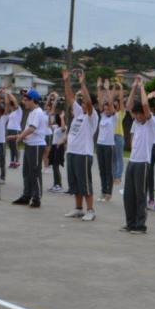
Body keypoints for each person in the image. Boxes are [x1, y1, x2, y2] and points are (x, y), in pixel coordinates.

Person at [63, 70, 99, 221]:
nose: (82, 103)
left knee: (85, 183)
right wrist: (66, 81)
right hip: (72, 152)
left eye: (83, 102)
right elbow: (70, 98)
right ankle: (78, 209)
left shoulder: (92, 116)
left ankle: (90, 210)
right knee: (76, 183)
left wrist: (82, 83)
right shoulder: (78, 114)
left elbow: (89, 103)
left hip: (83, 154)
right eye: (81, 102)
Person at [121, 76, 155, 233]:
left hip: (143, 162)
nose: (135, 117)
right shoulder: (136, 122)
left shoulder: (150, 122)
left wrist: (142, 88)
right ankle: (130, 224)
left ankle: (141, 225)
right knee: (128, 194)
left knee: (140, 195)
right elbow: (128, 106)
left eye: (138, 114)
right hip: (133, 161)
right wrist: (133, 87)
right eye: (135, 115)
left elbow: (146, 105)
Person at [8, 89, 47, 208]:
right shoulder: (31, 112)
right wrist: (16, 136)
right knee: (27, 172)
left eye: (26, 100)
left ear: (33, 100)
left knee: (34, 172)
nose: (24, 102)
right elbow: (28, 130)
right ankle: (26, 195)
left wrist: (19, 137)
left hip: (36, 145)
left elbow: (32, 129)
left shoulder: (38, 112)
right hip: (30, 145)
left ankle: (36, 198)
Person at [95, 78, 116, 202]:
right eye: (105, 108)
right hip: (100, 145)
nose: (107, 109)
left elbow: (110, 103)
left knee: (108, 170)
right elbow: (100, 101)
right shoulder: (102, 115)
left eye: (109, 108)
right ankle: (103, 191)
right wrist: (99, 87)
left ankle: (109, 193)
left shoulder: (114, 117)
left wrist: (107, 89)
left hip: (109, 146)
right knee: (101, 169)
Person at [48, 111, 67, 192]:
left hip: (59, 147)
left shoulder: (64, 127)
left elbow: (63, 129)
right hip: (54, 146)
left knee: (56, 166)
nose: (55, 119)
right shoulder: (56, 127)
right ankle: (55, 184)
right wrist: (50, 116)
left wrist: (62, 117)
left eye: (56, 118)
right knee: (53, 166)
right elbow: (49, 124)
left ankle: (59, 185)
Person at [112, 85, 126, 186]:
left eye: (117, 104)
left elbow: (121, 101)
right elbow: (110, 99)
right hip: (110, 137)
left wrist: (120, 89)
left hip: (119, 136)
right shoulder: (111, 114)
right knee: (112, 158)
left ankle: (118, 177)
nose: (116, 105)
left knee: (119, 158)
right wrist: (113, 90)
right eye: (114, 104)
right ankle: (113, 176)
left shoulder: (121, 113)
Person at [6, 91, 22, 169]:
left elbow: (15, 102)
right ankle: (12, 161)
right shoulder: (11, 112)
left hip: (15, 130)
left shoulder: (19, 111)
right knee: (11, 147)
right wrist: (6, 95)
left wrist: (9, 93)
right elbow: (8, 103)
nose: (11, 107)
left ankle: (17, 161)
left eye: (12, 106)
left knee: (15, 146)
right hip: (10, 129)